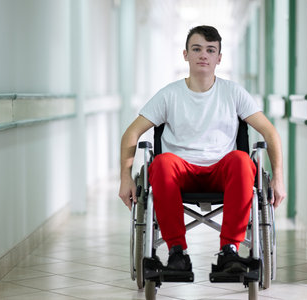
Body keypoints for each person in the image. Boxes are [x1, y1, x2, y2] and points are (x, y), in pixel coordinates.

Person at [119, 25, 286, 274]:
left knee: (242, 160)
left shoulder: (234, 93)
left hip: (222, 171)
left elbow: (270, 132)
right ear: (185, 54)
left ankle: (229, 252)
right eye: (196, 49)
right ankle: (177, 253)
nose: (203, 55)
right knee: (162, 163)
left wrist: (279, 178)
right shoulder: (169, 95)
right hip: (179, 172)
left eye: (210, 50)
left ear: (219, 57)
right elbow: (131, 133)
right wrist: (125, 178)